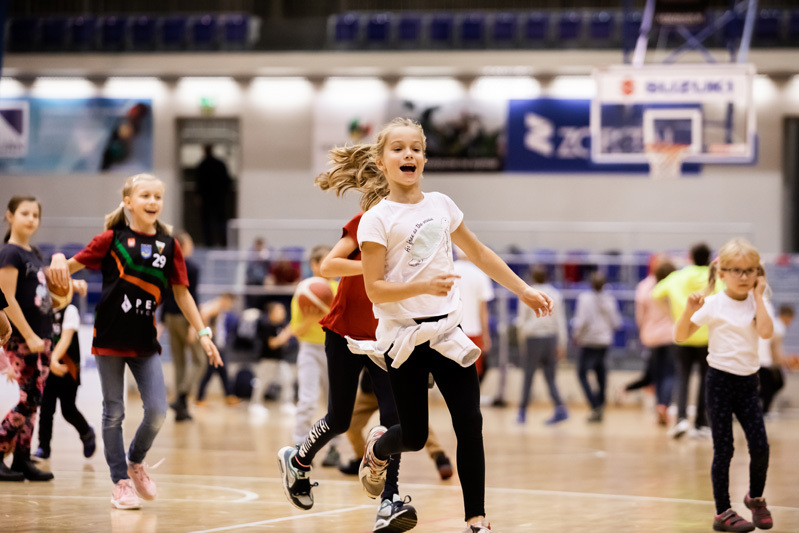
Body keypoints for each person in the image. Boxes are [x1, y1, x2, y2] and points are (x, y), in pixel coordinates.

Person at [316, 117, 551, 533]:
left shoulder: (442, 204)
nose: (409, 155)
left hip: (446, 333)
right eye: (398, 149)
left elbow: (479, 253)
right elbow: (375, 290)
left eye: (416, 149)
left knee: (470, 423)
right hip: (403, 338)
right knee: (414, 437)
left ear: (424, 159)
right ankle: (379, 448)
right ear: (381, 161)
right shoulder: (376, 219)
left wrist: (523, 289)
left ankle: (476, 519)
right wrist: (422, 286)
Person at [48, 173, 222, 510]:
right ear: (128, 202)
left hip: (144, 341)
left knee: (157, 411)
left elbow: (182, 293)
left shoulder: (170, 246)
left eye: (158, 196)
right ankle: (120, 482)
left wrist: (203, 333)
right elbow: (65, 269)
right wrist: (56, 258)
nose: (153, 202)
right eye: (145, 196)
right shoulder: (111, 239)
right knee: (114, 412)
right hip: (109, 337)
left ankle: (135, 461)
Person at [277, 212, 418, 531]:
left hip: (385, 336)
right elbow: (328, 266)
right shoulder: (366, 221)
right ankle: (298, 460)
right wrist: (370, 267)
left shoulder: (415, 230)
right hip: (344, 333)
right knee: (339, 419)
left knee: (395, 420)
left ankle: (389, 499)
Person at [674, 238, 774, 532]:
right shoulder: (714, 304)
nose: (743, 276)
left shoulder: (758, 303)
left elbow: (766, 332)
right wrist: (688, 310)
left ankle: (755, 498)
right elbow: (680, 335)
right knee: (724, 449)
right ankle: (722, 512)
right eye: (736, 271)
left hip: (748, 384)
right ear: (722, 273)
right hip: (719, 382)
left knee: (760, 446)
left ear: (758, 273)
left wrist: (759, 297)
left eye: (750, 270)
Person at [0, 196, 60, 482]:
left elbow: (43, 296)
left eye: (35, 214)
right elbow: (6, 297)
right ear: (10, 216)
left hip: (42, 337)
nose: (31, 219)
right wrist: (28, 334)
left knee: (35, 401)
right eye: (24, 213)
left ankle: (22, 457)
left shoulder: (33, 253)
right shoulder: (10, 253)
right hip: (23, 339)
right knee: (29, 397)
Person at [652, 243, 718, 439]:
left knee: (682, 378)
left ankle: (681, 419)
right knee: (706, 380)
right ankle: (701, 423)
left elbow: (655, 294)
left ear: (690, 257)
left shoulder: (677, 276)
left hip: (683, 334)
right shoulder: (714, 278)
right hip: (707, 336)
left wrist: (671, 315)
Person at [338, 370, 454, 481]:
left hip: (395, 388)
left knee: (416, 421)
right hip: (371, 389)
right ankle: (363, 459)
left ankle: (439, 456)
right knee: (350, 423)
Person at [289, 245, 342, 466]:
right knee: (307, 400)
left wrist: (327, 313)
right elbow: (297, 330)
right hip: (309, 349)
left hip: (335, 350)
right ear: (314, 264)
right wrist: (312, 318)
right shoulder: (304, 290)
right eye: (325, 261)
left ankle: (334, 449)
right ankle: (300, 446)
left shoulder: (339, 289)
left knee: (336, 404)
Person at [35, 289, 97, 461]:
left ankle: (87, 433)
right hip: (48, 369)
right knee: (46, 409)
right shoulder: (42, 311)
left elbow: (65, 338)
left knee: (68, 410)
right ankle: (43, 447)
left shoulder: (70, 310)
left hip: (67, 368)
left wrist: (54, 360)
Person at [515, 265, 569, 425]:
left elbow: (521, 322)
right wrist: (562, 344)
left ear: (532, 277)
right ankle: (560, 409)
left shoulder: (527, 293)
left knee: (528, 377)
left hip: (533, 339)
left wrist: (521, 342)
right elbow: (560, 321)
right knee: (550, 377)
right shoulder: (555, 294)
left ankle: (522, 413)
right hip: (551, 339)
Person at [161, 231, 205, 422]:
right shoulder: (192, 268)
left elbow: (164, 294)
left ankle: (181, 410)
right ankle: (181, 397)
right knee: (200, 360)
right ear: (183, 246)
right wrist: (195, 325)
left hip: (170, 317)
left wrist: (162, 321)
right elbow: (191, 296)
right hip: (185, 318)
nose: (192, 246)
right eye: (191, 242)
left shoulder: (167, 265)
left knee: (179, 362)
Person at [629, 256, 677, 425]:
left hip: (652, 336)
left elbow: (640, 315)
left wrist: (642, 330)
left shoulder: (644, 286)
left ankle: (659, 406)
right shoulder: (675, 284)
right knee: (670, 374)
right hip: (672, 336)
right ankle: (664, 405)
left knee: (657, 375)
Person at [572, 272, 622, 423]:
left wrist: (576, 336)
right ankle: (600, 404)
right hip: (604, 342)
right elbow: (616, 323)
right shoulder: (609, 299)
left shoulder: (584, 299)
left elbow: (582, 321)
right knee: (601, 374)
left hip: (588, 342)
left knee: (582, 373)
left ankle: (595, 404)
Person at [453, 245, 494, 381]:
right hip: (474, 331)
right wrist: (486, 336)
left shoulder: (448, 271)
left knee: (452, 376)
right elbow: (483, 310)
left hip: (450, 330)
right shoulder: (480, 275)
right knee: (472, 377)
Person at [250, 301, 294, 418]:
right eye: (279, 310)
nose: (283, 313)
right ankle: (255, 404)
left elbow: (284, 343)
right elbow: (272, 344)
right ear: (271, 312)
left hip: (279, 359)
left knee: (287, 379)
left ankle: (286, 403)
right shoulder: (265, 325)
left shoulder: (281, 325)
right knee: (262, 382)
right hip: (267, 359)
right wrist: (287, 333)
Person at [195, 292, 240, 407]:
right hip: (213, 344)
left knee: (222, 371)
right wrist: (207, 331)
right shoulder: (215, 306)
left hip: (220, 345)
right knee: (210, 371)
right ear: (225, 299)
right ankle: (200, 397)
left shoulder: (222, 310)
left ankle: (229, 396)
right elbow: (203, 314)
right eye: (230, 302)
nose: (230, 305)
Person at [758, 304, 793, 417]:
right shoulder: (779, 326)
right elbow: (774, 346)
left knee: (772, 385)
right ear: (787, 316)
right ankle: (763, 410)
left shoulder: (777, 325)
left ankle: (762, 408)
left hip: (767, 360)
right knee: (772, 385)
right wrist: (780, 360)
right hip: (767, 362)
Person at [195, 144, 232, 247]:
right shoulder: (219, 164)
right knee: (219, 220)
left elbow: (199, 183)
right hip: (218, 197)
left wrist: (199, 195)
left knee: (208, 221)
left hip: (208, 198)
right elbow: (227, 181)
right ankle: (223, 242)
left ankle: (209, 243)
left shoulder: (203, 165)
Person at [244, 237, 272, 310]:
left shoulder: (267, 254)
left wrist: (265, 258)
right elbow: (251, 271)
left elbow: (269, 268)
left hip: (262, 284)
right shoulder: (251, 254)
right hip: (252, 282)